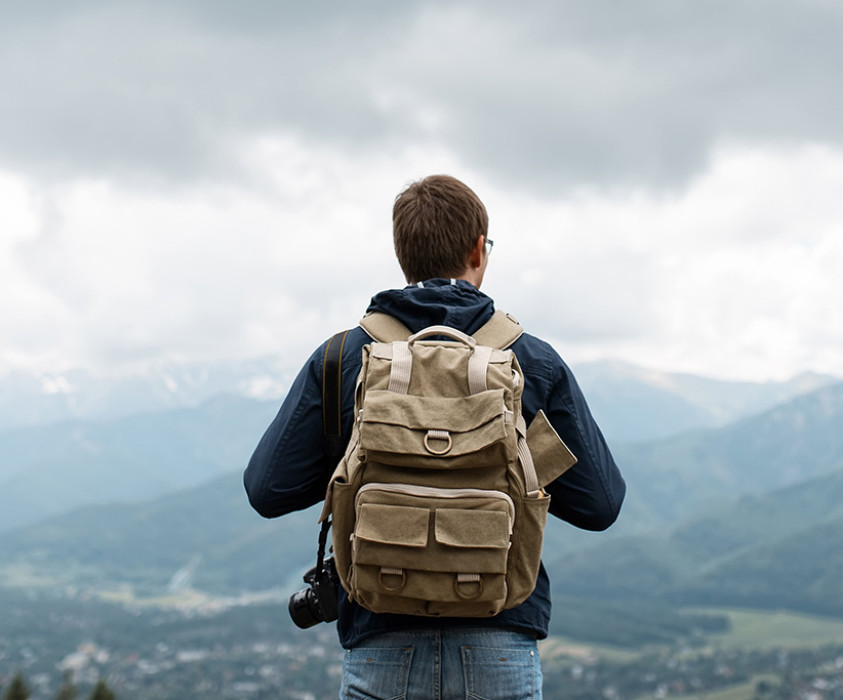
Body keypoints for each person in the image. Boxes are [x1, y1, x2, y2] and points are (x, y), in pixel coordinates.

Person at [245, 174, 625, 700]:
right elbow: (600, 506)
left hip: (381, 641)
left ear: (403, 255)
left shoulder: (341, 358)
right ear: (478, 250)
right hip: (499, 640)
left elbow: (267, 491)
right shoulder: (531, 361)